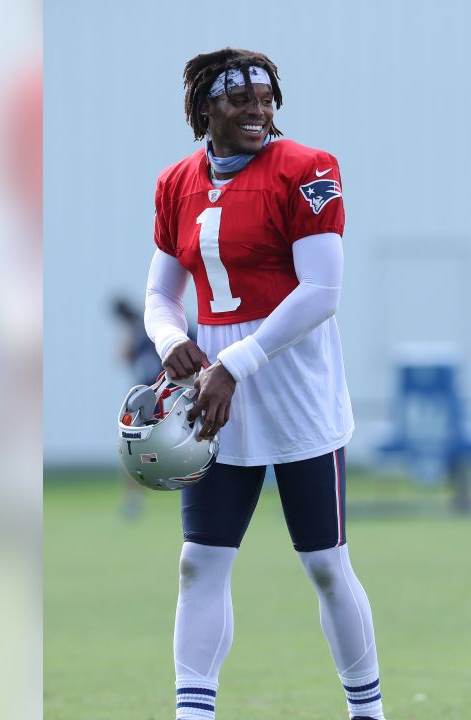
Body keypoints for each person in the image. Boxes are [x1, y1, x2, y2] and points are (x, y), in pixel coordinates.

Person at [143, 48, 384, 720]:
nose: (258, 111)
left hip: (291, 377)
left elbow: (323, 292)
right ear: (203, 109)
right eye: (239, 99)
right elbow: (160, 294)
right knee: (199, 561)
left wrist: (235, 364)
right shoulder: (175, 183)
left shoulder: (307, 168)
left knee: (327, 563)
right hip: (215, 391)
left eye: (265, 98)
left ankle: (368, 710)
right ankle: (194, 712)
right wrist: (172, 343)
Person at [111, 296, 167, 519]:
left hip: (168, 396)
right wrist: (129, 328)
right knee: (131, 448)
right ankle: (133, 499)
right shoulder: (137, 331)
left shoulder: (172, 329)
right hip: (140, 399)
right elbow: (123, 356)